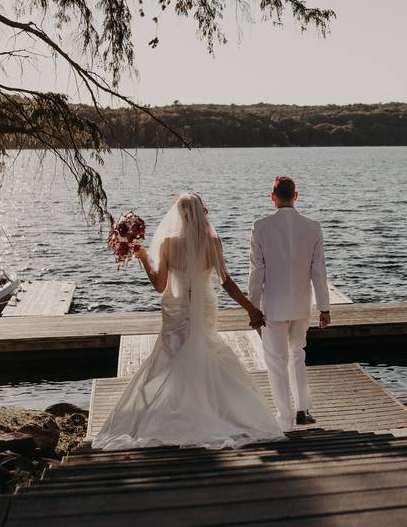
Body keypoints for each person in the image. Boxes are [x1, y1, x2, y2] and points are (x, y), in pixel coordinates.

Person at [92, 193, 283, 450]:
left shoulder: (169, 243)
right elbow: (226, 282)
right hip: (204, 307)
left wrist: (144, 259)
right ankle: (215, 413)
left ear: (179, 215)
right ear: (201, 213)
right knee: (207, 354)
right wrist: (251, 309)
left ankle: (175, 414)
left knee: (170, 359)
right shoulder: (213, 241)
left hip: (177, 308)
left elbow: (160, 286)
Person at [249, 176, 330, 432]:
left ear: (272, 196)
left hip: (273, 306)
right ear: (296, 196)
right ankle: (302, 410)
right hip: (300, 305)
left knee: (276, 361)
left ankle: (285, 419)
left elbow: (256, 271)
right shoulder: (313, 227)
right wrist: (324, 308)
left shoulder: (260, 227)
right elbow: (319, 273)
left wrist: (252, 307)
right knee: (297, 355)